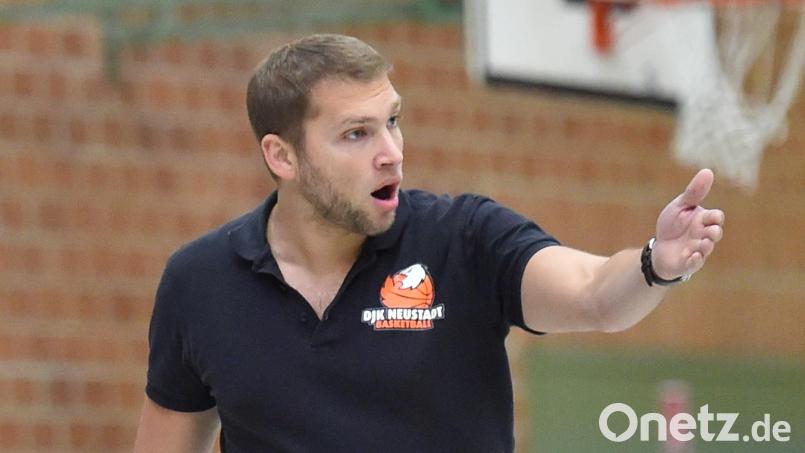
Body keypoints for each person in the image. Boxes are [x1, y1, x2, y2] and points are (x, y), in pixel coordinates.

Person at [133, 34, 725, 452]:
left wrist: (654, 264)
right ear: (281, 156)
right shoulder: (199, 282)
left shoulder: (464, 239)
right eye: (356, 134)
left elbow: (594, 293)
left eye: (392, 120)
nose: (391, 150)